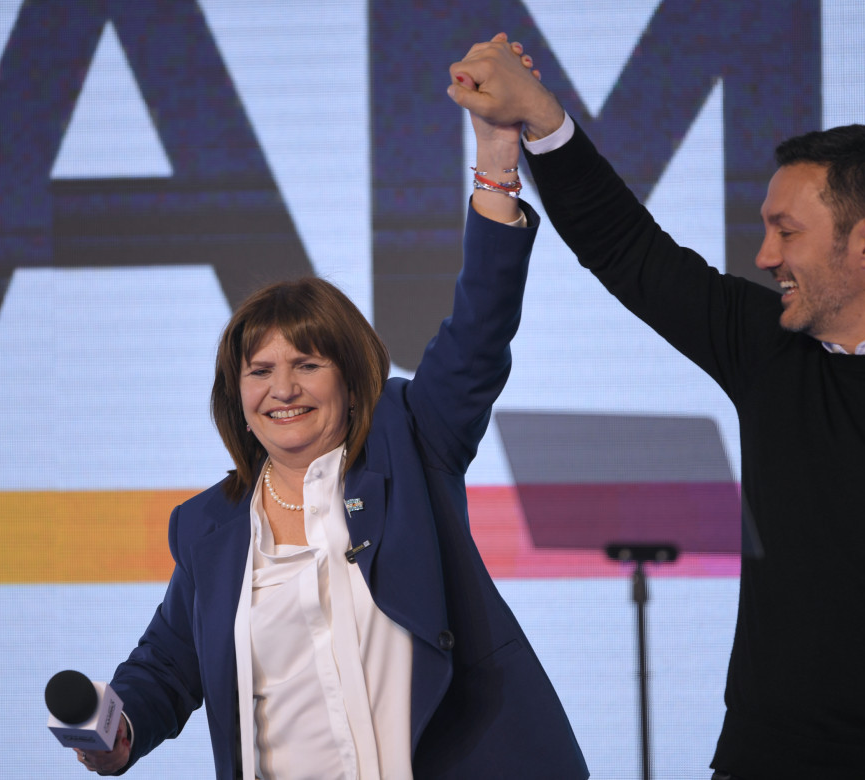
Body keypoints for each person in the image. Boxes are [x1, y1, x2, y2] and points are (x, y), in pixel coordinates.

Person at [448, 33, 865, 780]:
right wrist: (540, 116)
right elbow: (627, 248)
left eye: (786, 232)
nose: (764, 257)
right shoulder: (767, 349)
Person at [71, 78, 590, 779]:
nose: (281, 389)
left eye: (306, 364)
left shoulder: (411, 445)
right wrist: (118, 726)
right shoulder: (209, 529)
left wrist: (497, 157)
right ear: (236, 394)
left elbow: (479, 329)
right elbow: (166, 666)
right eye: (259, 371)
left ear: (349, 376)